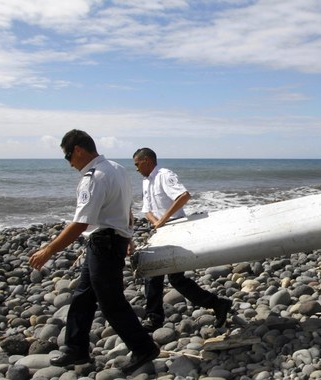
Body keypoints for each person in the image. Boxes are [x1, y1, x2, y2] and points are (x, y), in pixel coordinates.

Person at [29, 130, 159, 374]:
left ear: (78, 150)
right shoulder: (117, 169)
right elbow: (125, 207)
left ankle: (144, 347)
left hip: (104, 244)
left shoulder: (94, 177)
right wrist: (127, 235)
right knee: (83, 296)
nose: (69, 164)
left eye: (68, 157)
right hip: (108, 241)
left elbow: (80, 224)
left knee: (111, 302)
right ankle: (75, 348)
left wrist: (48, 250)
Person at [133, 148, 232, 331]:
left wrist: (163, 220)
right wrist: (156, 222)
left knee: (170, 277)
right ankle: (216, 304)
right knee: (160, 275)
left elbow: (183, 196)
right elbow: (147, 209)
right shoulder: (146, 182)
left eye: (137, 164)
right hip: (160, 231)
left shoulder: (164, 175)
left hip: (175, 228)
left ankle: (155, 319)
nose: (136, 169)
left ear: (147, 160)